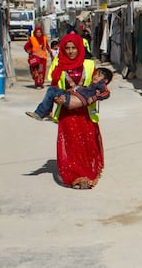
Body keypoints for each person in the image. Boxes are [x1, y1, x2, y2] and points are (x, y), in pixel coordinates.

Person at [48, 32, 105, 190]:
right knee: (72, 143)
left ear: (79, 48)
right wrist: (57, 98)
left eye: (74, 47)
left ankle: (89, 172)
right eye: (67, 48)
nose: (71, 51)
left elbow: (99, 85)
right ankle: (76, 176)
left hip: (85, 110)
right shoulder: (58, 66)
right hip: (67, 110)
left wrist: (94, 95)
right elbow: (53, 88)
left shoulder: (89, 65)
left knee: (87, 142)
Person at [25, 67, 112, 121]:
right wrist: (77, 88)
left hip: (74, 100)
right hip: (73, 96)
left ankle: (40, 113)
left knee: (51, 91)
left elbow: (106, 93)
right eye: (95, 74)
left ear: (105, 81)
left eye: (99, 76)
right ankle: (45, 111)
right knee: (52, 90)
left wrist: (95, 98)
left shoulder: (101, 85)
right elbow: (86, 90)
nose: (95, 77)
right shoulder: (93, 85)